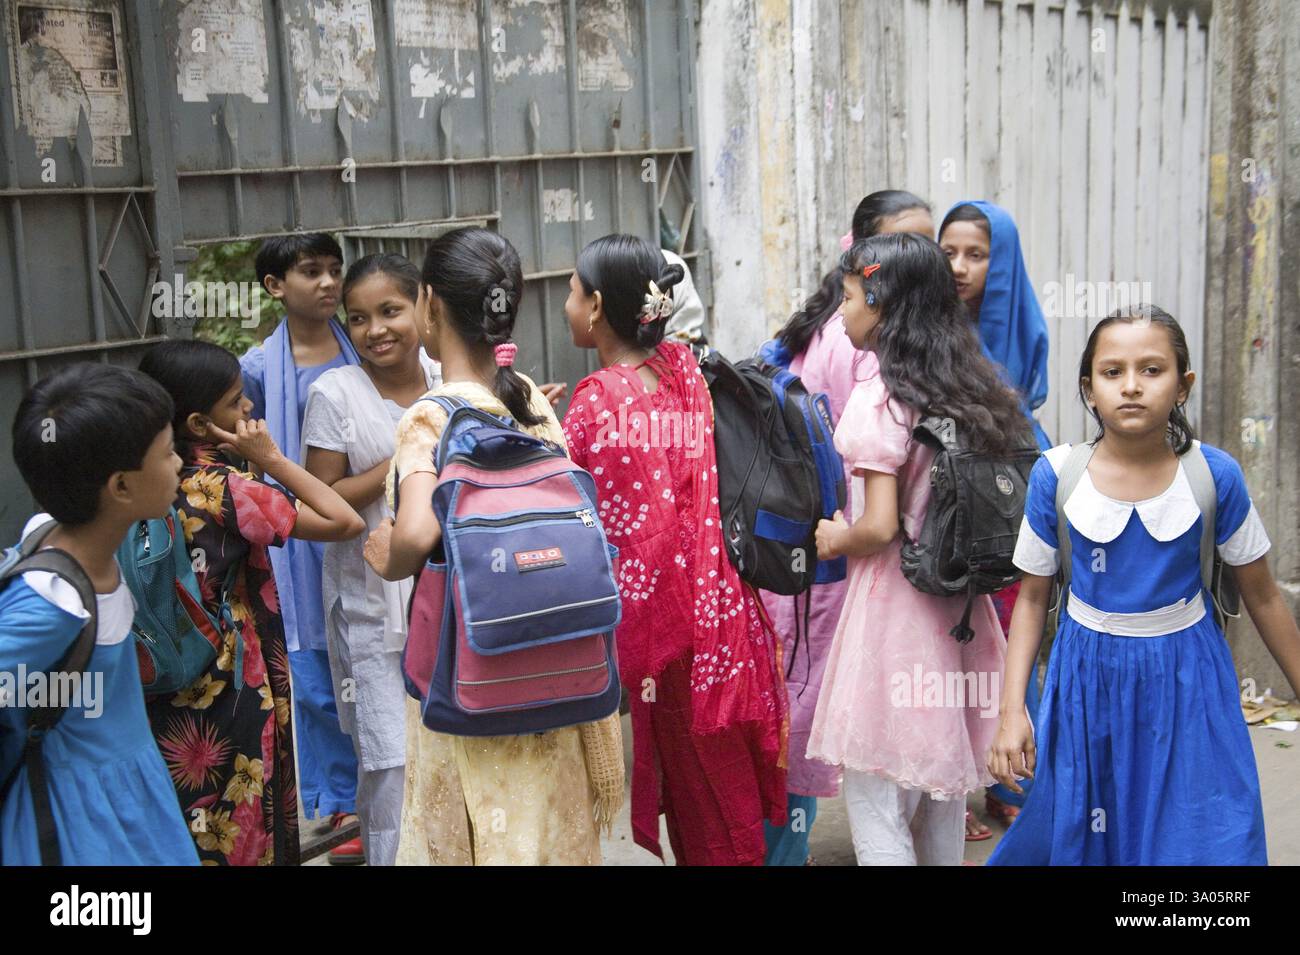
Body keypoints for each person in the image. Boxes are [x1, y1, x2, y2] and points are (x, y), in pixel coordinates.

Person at [988, 306, 1300, 865]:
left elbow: (1263, 594)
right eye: (1112, 372)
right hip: (1086, 680)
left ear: (1183, 386)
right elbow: (1032, 599)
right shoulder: (1056, 477)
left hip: (1190, 680)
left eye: (1152, 370)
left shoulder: (1214, 476)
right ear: (1088, 388)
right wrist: (1013, 711)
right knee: (1091, 834)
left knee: (1207, 836)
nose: (1131, 386)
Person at [363, 226, 624, 865]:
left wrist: (385, 553)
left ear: (429, 304)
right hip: (553, 669)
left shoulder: (430, 415)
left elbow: (419, 534)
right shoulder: (529, 397)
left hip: (471, 678)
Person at [560, 233, 787, 865]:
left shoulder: (597, 397)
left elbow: (572, 503)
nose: (567, 302)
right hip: (717, 607)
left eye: (573, 291)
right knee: (715, 779)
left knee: (701, 793)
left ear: (599, 306)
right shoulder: (685, 368)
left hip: (664, 623)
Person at [810, 233, 1028, 865]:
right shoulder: (972, 389)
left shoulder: (881, 398)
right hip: (959, 614)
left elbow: (878, 527)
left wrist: (833, 537)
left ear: (880, 303)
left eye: (847, 297)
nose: (840, 312)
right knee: (942, 797)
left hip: (893, 617)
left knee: (877, 799)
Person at [139, 340, 364, 865]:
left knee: (195, 817)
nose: (249, 410)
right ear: (199, 422)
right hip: (236, 678)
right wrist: (272, 459)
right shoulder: (223, 487)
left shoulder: (148, 480)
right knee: (246, 815)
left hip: (169, 677)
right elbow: (342, 520)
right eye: (236, 402)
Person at [763, 189, 933, 865]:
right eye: (907, 244)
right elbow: (881, 512)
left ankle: (788, 848)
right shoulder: (875, 352)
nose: (927, 258)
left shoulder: (829, 328)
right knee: (846, 731)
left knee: (803, 707)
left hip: (813, 548)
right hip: (850, 561)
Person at [1, 364, 199, 865]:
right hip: (82, 825)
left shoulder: (50, 530)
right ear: (121, 488)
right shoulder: (53, 604)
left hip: (130, 795)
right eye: (168, 451)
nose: (180, 462)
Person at [301, 253, 441, 866]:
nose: (375, 329)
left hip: (446, 599)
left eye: (390, 311)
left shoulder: (447, 377)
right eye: (358, 318)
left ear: (424, 307)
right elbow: (321, 504)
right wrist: (407, 456)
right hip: (369, 611)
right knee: (391, 765)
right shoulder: (334, 393)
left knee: (448, 750)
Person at [240, 233, 363, 859]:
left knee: (374, 650)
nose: (327, 283)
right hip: (297, 530)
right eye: (310, 271)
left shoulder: (362, 349)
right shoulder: (258, 370)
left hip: (362, 513)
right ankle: (341, 799)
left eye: (333, 270)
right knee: (314, 669)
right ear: (273, 286)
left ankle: (381, 784)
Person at [938, 200, 1052, 832]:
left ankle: (1012, 786)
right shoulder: (928, 328)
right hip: (947, 510)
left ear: (1001, 263)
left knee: (1011, 646)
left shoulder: (1022, 326)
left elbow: (1027, 411)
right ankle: (953, 788)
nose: (959, 266)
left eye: (976, 255)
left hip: (1011, 503)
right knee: (953, 651)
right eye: (949, 251)